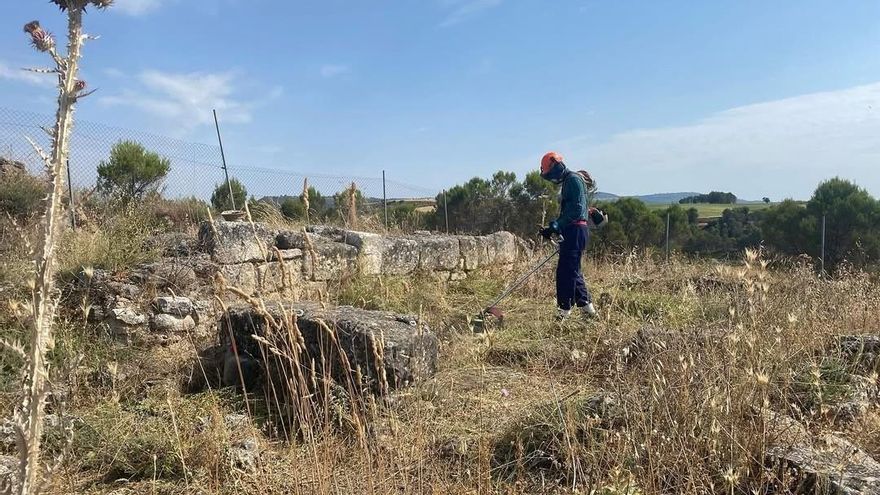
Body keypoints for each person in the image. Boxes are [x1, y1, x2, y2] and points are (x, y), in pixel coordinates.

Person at [538, 151, 607, 321]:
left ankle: (564, 311)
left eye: (549, 175)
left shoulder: (573, 180)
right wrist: (553, 229)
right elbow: (569, 212)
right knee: (573, 270)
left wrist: (557, 225)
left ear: (555, 166)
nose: (551, 179)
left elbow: (576, 210)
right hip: (573, 231)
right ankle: (587, 309)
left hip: (576, 231)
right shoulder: (569, 181)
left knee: (565, 272)